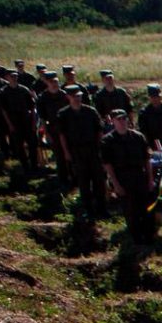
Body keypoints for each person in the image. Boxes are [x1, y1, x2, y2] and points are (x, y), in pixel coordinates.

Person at [55, 85, 107, 237]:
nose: (77, 98)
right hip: (76, 152)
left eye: (78, 96)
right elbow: (62, 135)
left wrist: (99, 149)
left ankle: (102, 209)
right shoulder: (63, 114)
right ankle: (88, 210)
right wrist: (66, 152)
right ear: (68, 97)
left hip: (92, 150)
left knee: (99, 180)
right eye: (74, 96)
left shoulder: (90, 111)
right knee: (83, 181)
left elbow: (99, 130)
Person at [100, 107, 156, 247]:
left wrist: (150, 180)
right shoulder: (108, 141)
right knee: (131, 210)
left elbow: (147, 159)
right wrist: (115, 184)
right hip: (122, 177)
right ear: (113, 121)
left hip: (140, 175)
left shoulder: (138, 137)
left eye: (124, 118)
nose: (122, 122)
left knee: (147, 208)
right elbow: (108, 165)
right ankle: (137, 240)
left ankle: (150, 238)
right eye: (118, 119)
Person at [0, 69, 41, 172]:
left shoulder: (24, 89)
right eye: (12, 76)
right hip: (14, 121)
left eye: (15, 76)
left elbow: (32, 107)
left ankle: (34, 165)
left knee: (32, 144)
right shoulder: (3, 92)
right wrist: (9, 124)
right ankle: (25, 166)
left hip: (26, 120)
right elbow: (4, 110)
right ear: (7, 77)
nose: (14, 78)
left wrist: (34, 122)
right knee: (19, 145)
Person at [137, 83, 162, 150]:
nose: (155, 99)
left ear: (161, 97)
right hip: (154, 146)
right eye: (152, 97)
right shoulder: (144, 113)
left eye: (157, 97)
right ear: (149, 97)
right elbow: (143, 133)